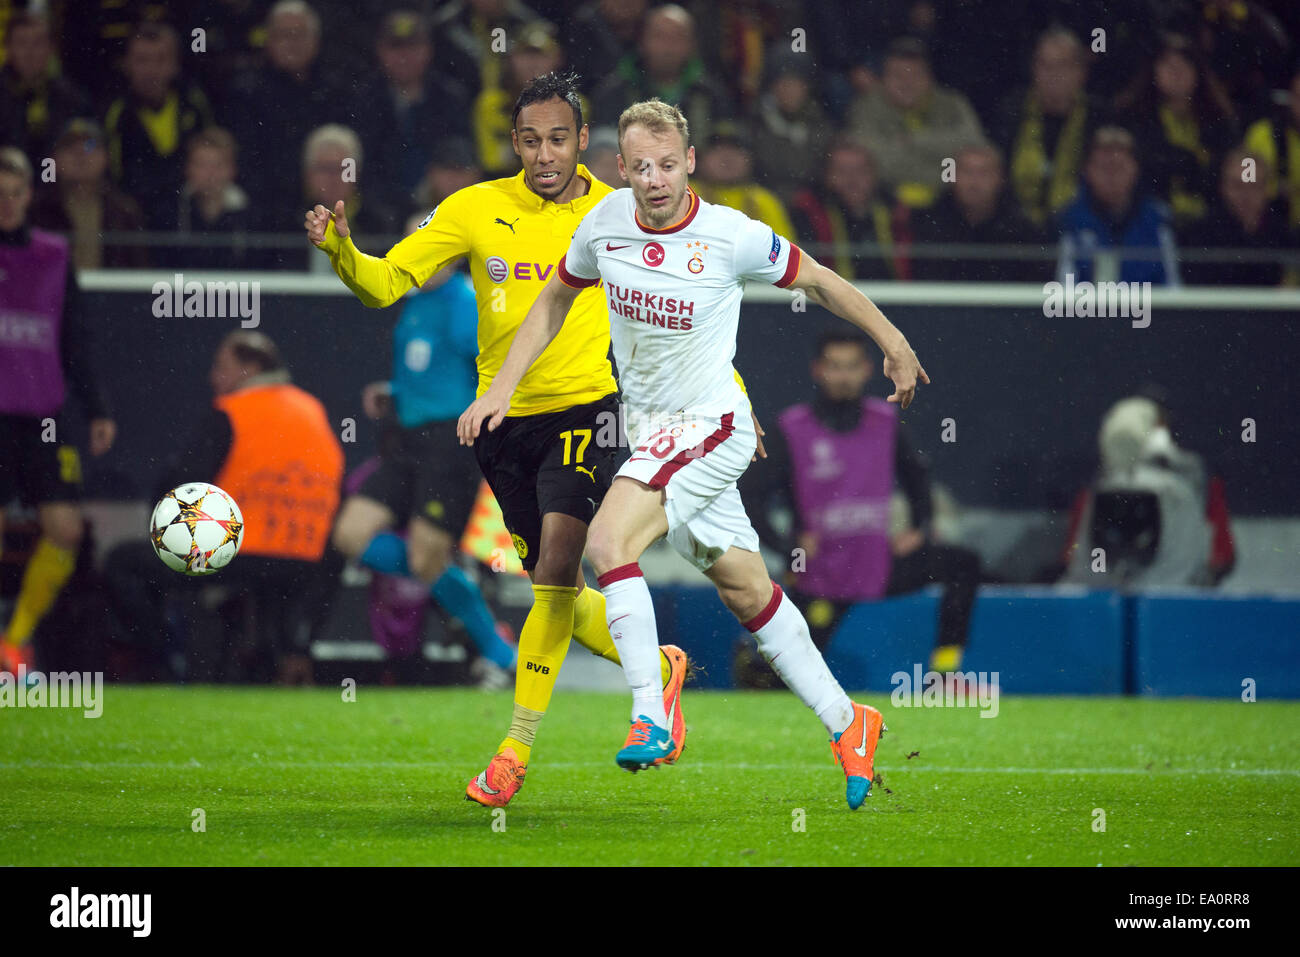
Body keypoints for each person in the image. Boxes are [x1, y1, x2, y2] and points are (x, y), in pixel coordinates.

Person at [459, 98, 929, 810]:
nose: (654, 179)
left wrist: (892, 342)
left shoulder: (731, 236)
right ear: (621, 167)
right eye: (641, 166)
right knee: (746, 589)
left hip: (708, 425)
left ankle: (652, 708)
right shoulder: (603, 223)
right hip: (655, 435)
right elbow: (552, 302)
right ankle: (849, 719)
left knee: (608, 540)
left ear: (691, 163)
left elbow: (823, 283)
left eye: (668, 165)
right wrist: (500, 386)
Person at [305, 72, 688, 809]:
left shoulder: (620, 215)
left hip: (587, 413)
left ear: (583, 142)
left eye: (558, 138)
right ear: (514, 143)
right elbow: (387, 284)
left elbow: (688, 302)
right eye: (530, 139)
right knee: (560, 591)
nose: (544, 154)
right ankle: (655, 660)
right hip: (501, 423)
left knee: (552, 567)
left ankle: (514, 749)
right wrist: (345, 253)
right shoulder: (476, 208)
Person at [331, 213, 516, 688]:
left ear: (450, 251)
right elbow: (432, 370)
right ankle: (447, 573)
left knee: (422, 563)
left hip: (450, 446)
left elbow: (496, 368)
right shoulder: (414, 301)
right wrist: (391, 390)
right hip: (407, 443)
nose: (417, 250)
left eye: (428, 242)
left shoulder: (465, 304)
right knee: (351, 535)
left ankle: (500, 652)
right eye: (412, 241)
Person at [740, 330, 982, 685]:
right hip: (822, 575)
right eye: (835, 366)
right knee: (781, 679)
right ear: (817, 370)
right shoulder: (792, 429)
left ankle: (945, 672)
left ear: (868, 369)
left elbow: (917, 476)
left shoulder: (885, 422)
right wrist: (786, 546)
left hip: (879, 563)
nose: (844, 376)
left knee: (964, 565)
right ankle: (753, 663)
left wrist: (919, 527)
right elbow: (750, 496)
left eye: (852, 366)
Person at [106, 332, 346, 683]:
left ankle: (160, 665)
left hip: (236, 552)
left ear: (250, 369)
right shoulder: (314, 410)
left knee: (123, 564)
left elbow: (178, 486)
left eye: (221, 367)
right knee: (268, 584)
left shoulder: (231, 412)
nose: (213, 377)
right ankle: (287, 655)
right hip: (307, 558)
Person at [0, 147, 115, 673]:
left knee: (66, 529)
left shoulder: (52, 254)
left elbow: (75, 336)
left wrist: (97, 407)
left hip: (44, 412)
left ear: (28, 195)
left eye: (15, 193)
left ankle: (14, 641)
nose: (7, 203)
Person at [845, 37, 985, 210]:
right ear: (883, 79)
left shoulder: (953, 104)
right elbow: (871, 163)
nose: (907, 83)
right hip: (885, 200)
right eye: (898, 75)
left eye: (915, 75)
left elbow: (975, 146)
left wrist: (912, 140)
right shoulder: (866, 106)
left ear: (930, 78)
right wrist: (940, 162)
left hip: (948, 201)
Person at [102, 22, 216, 231]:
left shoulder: (193, 104)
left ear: (175, 64)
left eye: (161, 60)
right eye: (142, 60)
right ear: (127, 64)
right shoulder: (115, 113)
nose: (151, 70)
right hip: (135, 220)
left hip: (190, 218)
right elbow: (109, 170)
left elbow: (212, 154)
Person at [1056, 126, 1180, 286]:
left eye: (1119, 167)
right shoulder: (1068, 221)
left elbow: (1172, 288)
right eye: (1104, 168)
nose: (1112, 177)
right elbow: (1064, 291)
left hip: (1148, 309)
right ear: (1087, 170)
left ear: (1135, 169)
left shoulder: (1158, 220)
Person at [909, 142, 1049, 281]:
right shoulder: (928, 226)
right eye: (967, 171)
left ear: (1000, 178)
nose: (974, 182)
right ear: (952, 177)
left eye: (984, 173)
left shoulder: (1022, 232)